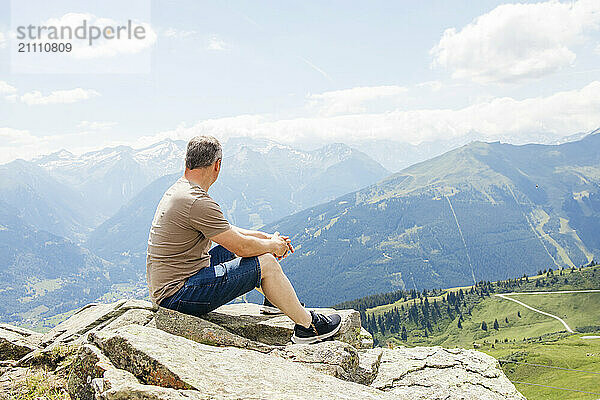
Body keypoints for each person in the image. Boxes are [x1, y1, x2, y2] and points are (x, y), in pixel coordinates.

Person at [146, 135, 341, 344]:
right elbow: (242, 246)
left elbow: (230, 233)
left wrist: (268, 239)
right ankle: (309, 327)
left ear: (187, 162)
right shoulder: (196, 201)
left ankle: (274, 300)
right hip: (178, 296)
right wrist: (273, 246)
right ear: (217, 165)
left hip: (174, 285)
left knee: (244, 250)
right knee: (265, 262)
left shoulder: (182, 191)